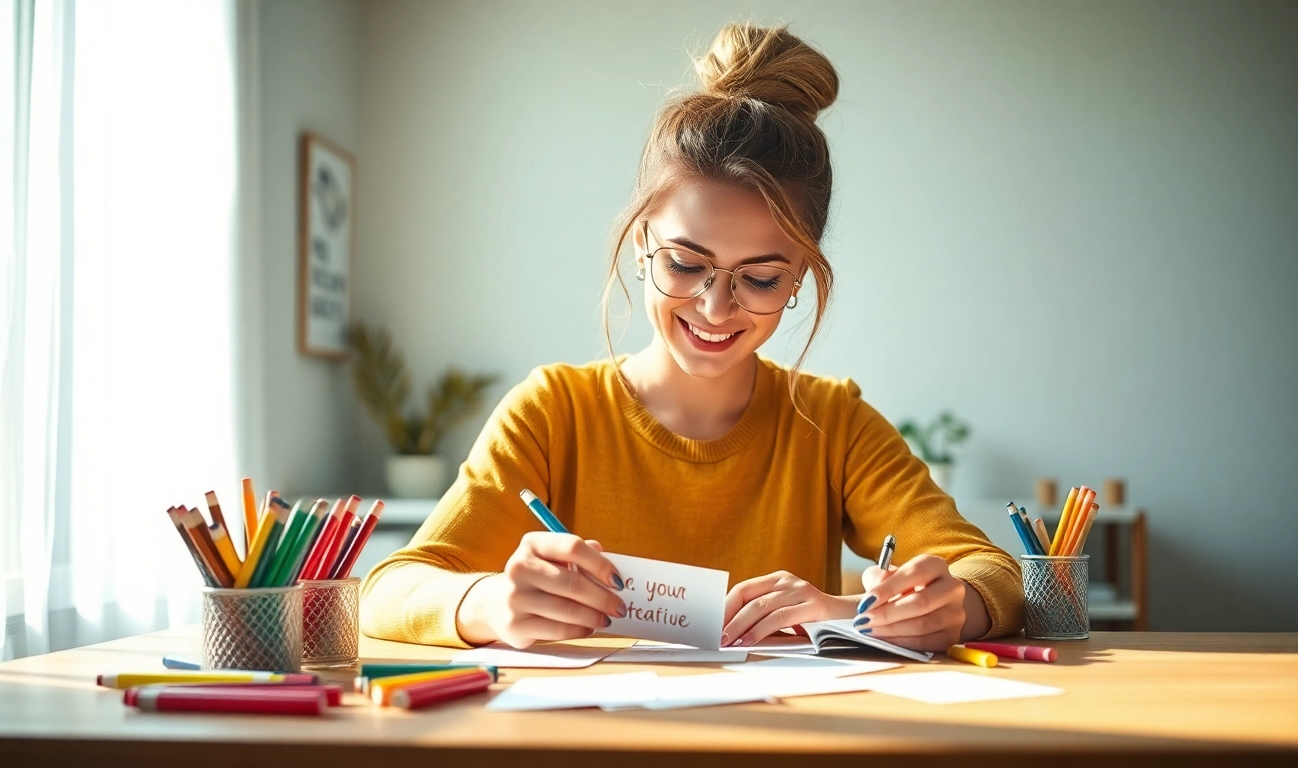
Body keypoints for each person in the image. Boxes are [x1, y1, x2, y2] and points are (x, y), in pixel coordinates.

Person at [361, 22, 1022, 652]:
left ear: (799, 276)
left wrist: (927, 609)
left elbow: (991, 571)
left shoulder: (832, 423)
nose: (715, 306)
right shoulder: (554, 413)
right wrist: (488, 604)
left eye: (761, 278)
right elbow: (389, 590)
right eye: (686, 264)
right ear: (643, 244)